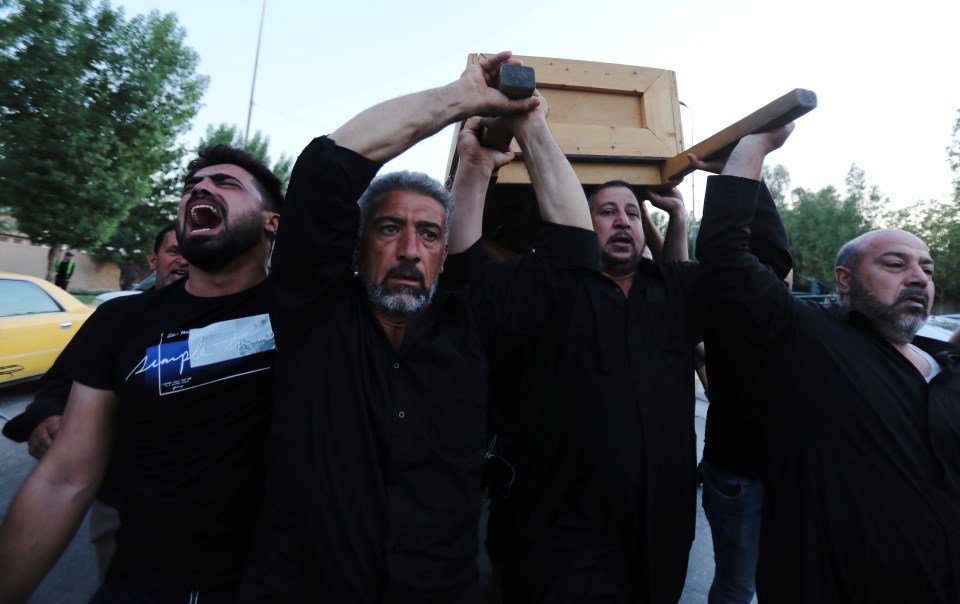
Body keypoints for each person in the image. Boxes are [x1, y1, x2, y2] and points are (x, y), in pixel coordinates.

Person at [237, 51, 596, 602]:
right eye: (389, 229)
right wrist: (462, 98)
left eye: (429, 235)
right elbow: (326, 169)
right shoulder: (313, 315)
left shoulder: (472, 323)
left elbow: (572, 253)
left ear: (444, 255)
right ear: (357, 248)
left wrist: (531, 124)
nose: (410, 250)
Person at [443, 126, 790, 601]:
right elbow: (465, 279)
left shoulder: (677, 289)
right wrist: (475, 168)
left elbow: (759, 276)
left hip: (660, 522)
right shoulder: (545, 288)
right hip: (561, 523)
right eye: (606, 212)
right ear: (579, 223)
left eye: (631, 212)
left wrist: (749, 168)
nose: (623, 221)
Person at [0, 146, 282, 603]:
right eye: (192, 186)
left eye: (225, 182)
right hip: (144, 583)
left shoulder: (306, 313)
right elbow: (64, 479)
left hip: (269, 581)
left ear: (273, 222)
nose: (201, 188)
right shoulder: (120, 321)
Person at [696, 125, 960, 603]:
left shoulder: (939, 358)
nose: (919, 277)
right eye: (896, 265)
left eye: (927, 267)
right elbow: (728, 257)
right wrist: (755, 147)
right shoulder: (811, 337)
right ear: (844, 280)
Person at [2, 223, 189, 583]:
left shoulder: (235, 319)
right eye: (173, 251)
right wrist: (48, 417)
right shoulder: (117, 319)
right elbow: (58, 382)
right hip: (124, 504)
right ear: (153, 260)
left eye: (192, 252)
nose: (184, 260)